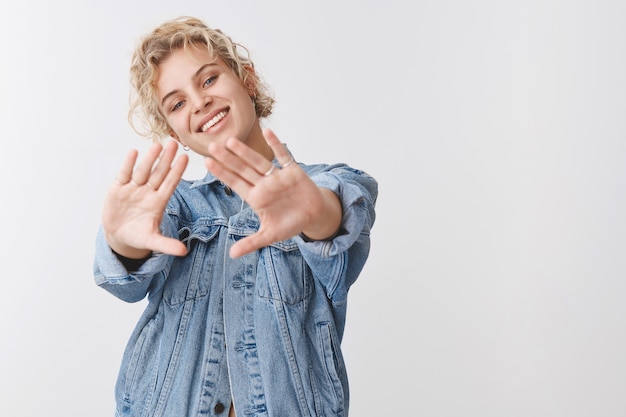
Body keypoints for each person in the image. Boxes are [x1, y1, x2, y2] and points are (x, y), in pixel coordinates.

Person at [93, 16, 378, 417]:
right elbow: (125, 281)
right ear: (175, 133)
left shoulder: (330, 182)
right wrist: (122, 241)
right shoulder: (177, 204)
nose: (199, 102)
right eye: (176, 103)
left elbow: (339, 212)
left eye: (208, 80)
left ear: (247, 79)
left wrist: (315, 214)